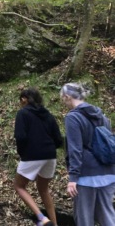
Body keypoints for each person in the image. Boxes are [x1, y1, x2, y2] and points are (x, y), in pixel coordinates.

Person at [60, 83, 115, 226]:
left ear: (67, 97)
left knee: (84, 218)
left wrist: (73, 177)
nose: (63, 102)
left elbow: (75, 149)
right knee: (106, 215)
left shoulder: (73, 118)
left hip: (87, 175)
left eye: (62, 99)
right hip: (108, 172)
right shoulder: (101, 115)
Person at [14, 88, 62, 226]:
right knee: (43, 188)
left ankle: (42, 219)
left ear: (24, 99)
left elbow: (21, 136)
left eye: (20, 100)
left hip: (32, 154)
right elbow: (58, 139)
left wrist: (23, 154)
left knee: (19, 186)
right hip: (50, 155)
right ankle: (54, 222)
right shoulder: (48, 115)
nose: (20, 103)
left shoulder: (23, 114)